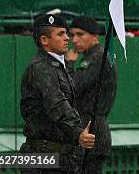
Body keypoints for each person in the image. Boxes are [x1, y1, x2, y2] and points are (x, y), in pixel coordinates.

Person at [20, 14, 96, 173]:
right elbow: (57, 105)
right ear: (44, 40)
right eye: (61, 34)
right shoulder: (40, 68)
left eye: (66, 33)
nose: (67, 38)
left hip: (61, 157)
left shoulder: (56, 66)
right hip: (43, 158)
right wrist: (78, 132)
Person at [65, 16, 117, 174]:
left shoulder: (98, 58)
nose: (75, 40)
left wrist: (68, 64)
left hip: (92, 132)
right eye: (72, 35)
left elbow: (73, 88)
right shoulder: (94, 57)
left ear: (95, 36)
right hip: (89, 131)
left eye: (80, 35)